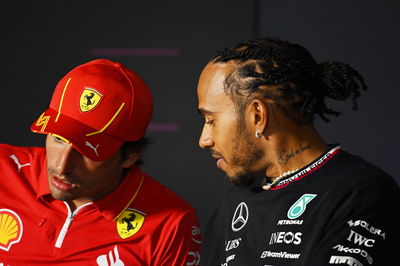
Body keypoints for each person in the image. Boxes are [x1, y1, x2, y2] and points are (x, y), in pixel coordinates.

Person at [197, 37, 399, 265]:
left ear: (257, 116)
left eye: (210, 120)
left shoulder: (360, 193)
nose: (204, 140)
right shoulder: (234, 204)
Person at [0, 59, 201, 265]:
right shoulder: (3, 168)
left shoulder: (170, 225)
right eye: (59, 139)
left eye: (87, 151)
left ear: (130, 155)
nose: (61, 167)